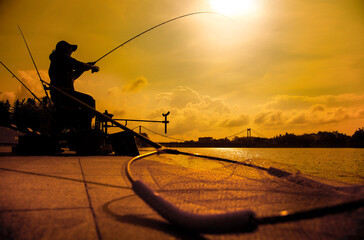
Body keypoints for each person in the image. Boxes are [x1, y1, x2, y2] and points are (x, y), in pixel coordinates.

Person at [48, 40, 100, 132]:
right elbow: (77, 64)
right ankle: (85, 130)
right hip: (63, 94)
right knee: (89, 100)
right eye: (70, 48)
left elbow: (73, 76)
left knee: (81, 108)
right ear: (64, 49)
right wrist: (90, 67)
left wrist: (86, 67)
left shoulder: (60, 62)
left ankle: (80, 128)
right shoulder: (61, 57)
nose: (71, 51)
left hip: (62, 95)